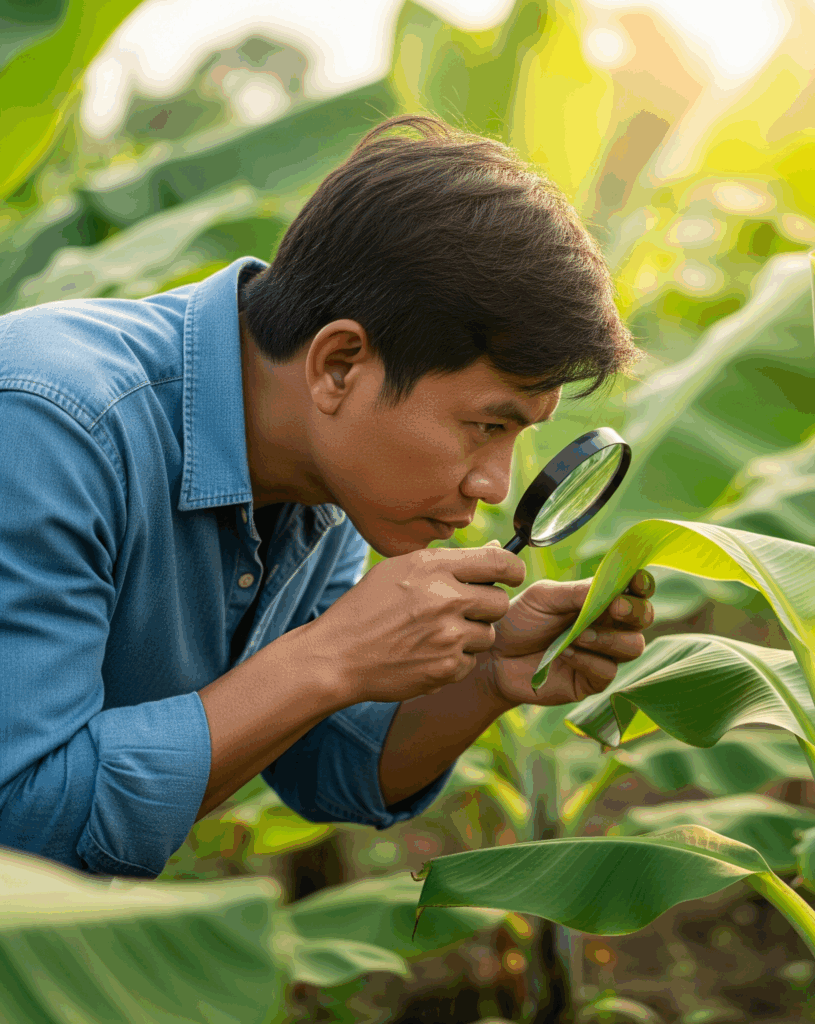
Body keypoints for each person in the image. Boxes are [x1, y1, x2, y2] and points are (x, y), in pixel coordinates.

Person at [0, 112, 656, 881]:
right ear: (339, 364)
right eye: (484, 425)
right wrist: (336, 654)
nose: (493, 484)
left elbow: (328, 765)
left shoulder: (327, 472)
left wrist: (488, 678)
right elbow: (23, 820)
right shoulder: (51, 424)